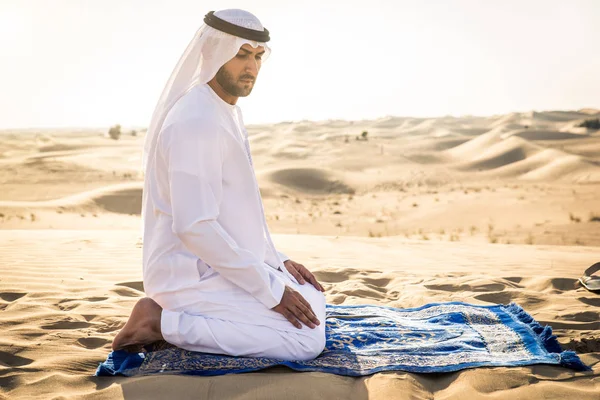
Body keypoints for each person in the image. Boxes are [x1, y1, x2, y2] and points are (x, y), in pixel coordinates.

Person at [111, 9, 327, 361]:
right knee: (305, 341)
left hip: (218, 263)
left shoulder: (224, 110)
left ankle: (218, 308)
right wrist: (271, 290)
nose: (252, 68)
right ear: (211, 53)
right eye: (241, 54)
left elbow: (237, 213)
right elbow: (194, 226)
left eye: (258, 56)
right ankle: (159, 321)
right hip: (188, 276)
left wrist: (277, 261)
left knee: (312, 296)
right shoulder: (196, 121)